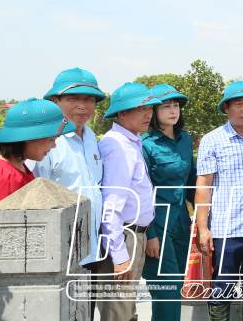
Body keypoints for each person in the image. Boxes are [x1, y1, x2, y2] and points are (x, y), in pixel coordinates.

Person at [25, 68, 106, 318]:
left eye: (89, 99)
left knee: (85, 312)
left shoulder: (92, 138)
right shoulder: (48, 141)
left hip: (91, 248)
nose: (82, 106)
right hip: (60, 250)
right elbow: (33, 197)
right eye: (73, 99)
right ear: (54, 102)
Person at [195, 81, 243, 321]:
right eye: (239, 104)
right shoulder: (213, 140)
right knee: (222, 288)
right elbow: (203, 186)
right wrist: (203, 229)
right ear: (226, 108)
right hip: (226, 229)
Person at [96, 82, 162, 321]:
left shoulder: (132, 140)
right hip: (123, 237)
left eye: (151, 108)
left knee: (126, 308)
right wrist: (120, 255)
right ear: (122, 113)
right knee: (118, 312)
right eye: (141, 109)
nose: (149, 114)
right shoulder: (117, 146)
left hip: (135, 235)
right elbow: (111, 205)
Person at [141, 84, 197, 321]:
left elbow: (192, 182)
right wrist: (150, 234)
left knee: (176, 286)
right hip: (158, 226)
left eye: (176, 106)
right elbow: (143, 192)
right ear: (153, 111)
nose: (173, 110)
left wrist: (204, 220)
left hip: (182, 224)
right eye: (166, 106)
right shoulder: (146, 144)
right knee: (166, 290)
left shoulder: (185, 139)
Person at [0, 98, 75, 203]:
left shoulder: (18, 166)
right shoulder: (1, 176)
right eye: (51, 140)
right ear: (28, 136)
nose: (54, 146)